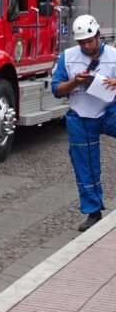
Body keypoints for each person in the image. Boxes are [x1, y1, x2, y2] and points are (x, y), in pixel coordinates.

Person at [52, 14, 116, 232]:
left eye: (89, 41)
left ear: (98, 35)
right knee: (85, 166)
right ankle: (93, 212)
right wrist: (75, 82)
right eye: (81, 42)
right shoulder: (68, 57)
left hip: (109, 111)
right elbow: (57, 90)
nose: (86, 46)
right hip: (80, 116)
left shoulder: (113, 56)